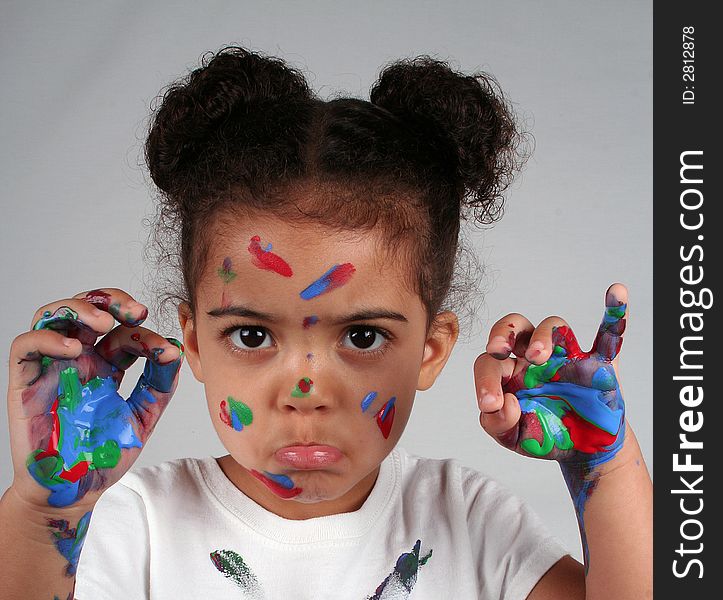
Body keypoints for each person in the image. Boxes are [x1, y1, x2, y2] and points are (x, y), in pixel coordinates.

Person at [0, 46, 652, 599]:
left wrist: (606, 466)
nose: (305, 391)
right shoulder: (135, 528)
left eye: (362, 336)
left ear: (429, 351)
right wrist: (44, 513)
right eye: (252, 335)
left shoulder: (468, 520)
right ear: (194, 343)